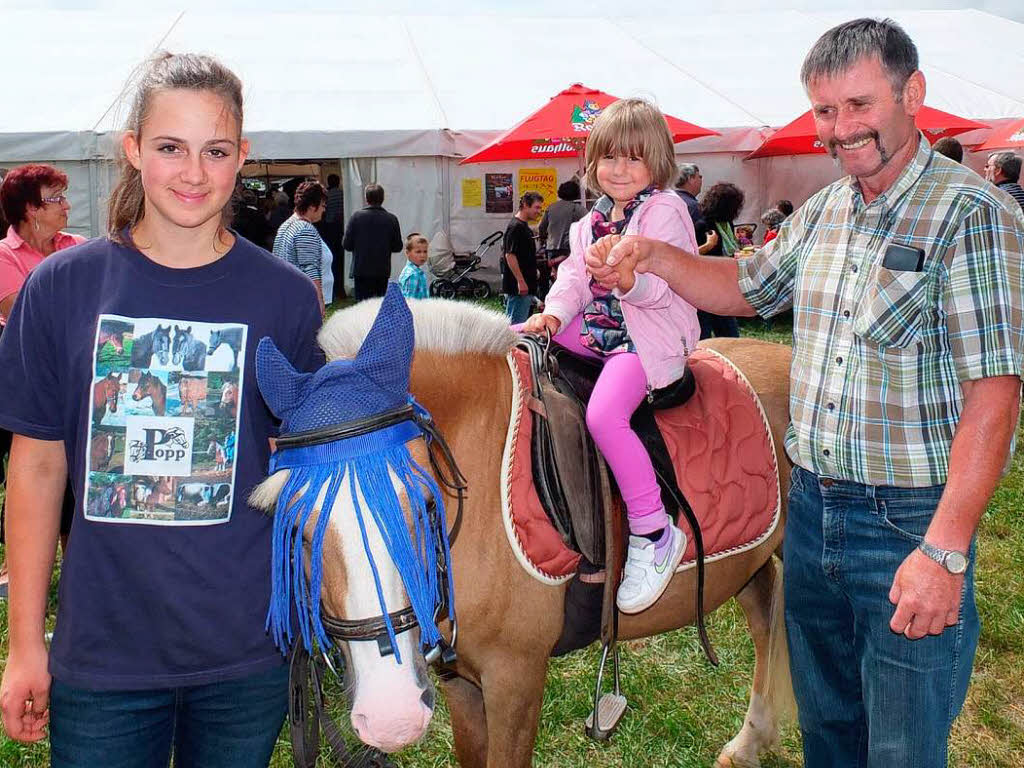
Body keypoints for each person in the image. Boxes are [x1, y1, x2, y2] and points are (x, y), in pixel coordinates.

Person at [589, 18, 1024, 768]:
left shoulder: (972, 213)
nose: (841, 129)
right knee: (830, 736)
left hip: (905, 519)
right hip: (813, 507)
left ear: (911, 93)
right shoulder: (824, 211)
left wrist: (944, 551)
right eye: (825, 112)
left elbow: (995, 394)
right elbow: (745, 287)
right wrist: (656, 255)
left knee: (901, 748)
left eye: (859, 105)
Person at [0, 52, 323, 767]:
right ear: (133, 150)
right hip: (102, 656)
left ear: (243, 157)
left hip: (246, 655)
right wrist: (26, 643)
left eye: (215, 151)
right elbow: (35, 471)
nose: (193, 172)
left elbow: (304, 472)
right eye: (170, 148)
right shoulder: (59, 290)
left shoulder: (287, 299)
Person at [521, 98, 699, 614]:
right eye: (610, 158)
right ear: (593, 162)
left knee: (603, 415)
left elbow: (668, 288)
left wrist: (629, 281)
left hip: (645, 338)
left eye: (634, 159)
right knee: (513, 342)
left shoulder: (664, 211)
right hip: (599, 331)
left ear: (657, 163)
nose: (620, 170)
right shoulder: (587, 222)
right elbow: (573, 280)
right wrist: (553, 314)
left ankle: (653, 530)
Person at [0, 164, 86, 599]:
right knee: (26, 472)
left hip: (75, 385)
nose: (67, 207)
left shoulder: (79, 247)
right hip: (25, 388)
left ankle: (76, 567)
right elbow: (30, 317)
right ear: (31, 209)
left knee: (73, 475)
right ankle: (16, 566)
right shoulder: (4, 257)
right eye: (56, 198)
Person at [696, 182, 744, 339]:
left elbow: (730, 248)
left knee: (729, 333)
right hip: (704, 286)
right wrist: (708, 246)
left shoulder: (727, 223)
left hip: (723, 286)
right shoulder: (702, 225)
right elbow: (687, 255)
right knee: (703, 333)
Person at [272, 180, 327, 315]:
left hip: (285, 296)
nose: (324, 210)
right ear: (312, 207)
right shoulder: (305, 229)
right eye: (322, 205)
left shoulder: (286, 225)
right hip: (301, 300)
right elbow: (310, 268)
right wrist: (319, 300)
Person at [342, 183, 403, 301]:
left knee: (363, 307)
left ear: (366, 198)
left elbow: (347, 245)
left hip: (361, 269)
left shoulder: (356, 217)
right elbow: (397, 247)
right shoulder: (391, 219)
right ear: (383, 198)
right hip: (382, 270)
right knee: (380, 306)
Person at [536, 180, 585, 297]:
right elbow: (589, 222)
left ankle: (546, 300)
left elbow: (541, 227)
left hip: (551, 248)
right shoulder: (576, 208)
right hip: (568, 249)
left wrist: (544, 239)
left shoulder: (551, 207)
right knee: (567, 278)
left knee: (551, 277)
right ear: (576, 193)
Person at [502, 191, 543, 324]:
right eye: (536, 207)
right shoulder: (516, 227)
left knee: (518, 321)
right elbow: (510, 255)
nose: (539, 211)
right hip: (518, 287)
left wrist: (533, 270)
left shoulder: (523, 226)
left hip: (525, 284)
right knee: (516, 325)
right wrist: (520, 281)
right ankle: (512, 345)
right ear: (525, 205)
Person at [674, 163, 719, 254]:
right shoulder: (694, 207)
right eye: (699, 176)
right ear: (690, 179)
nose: (701, 180)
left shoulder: (670, 200)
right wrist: (709, 244)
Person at [319, 173, 345, 298]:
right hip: (341, 228)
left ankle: (334, 287)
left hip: (329, 229)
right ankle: (341, 287)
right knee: (340, 258)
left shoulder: (327, 196)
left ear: (328, 183)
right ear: (339, 182)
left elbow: (324, 213)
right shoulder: (343, 194)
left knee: (331, 257)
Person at [398, 233, 429, 300]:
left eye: (425, 251)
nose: (422, 255)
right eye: (418, 252)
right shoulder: (413, 274)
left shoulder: (414, 271)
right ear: (407, 253)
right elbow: (410, 301)